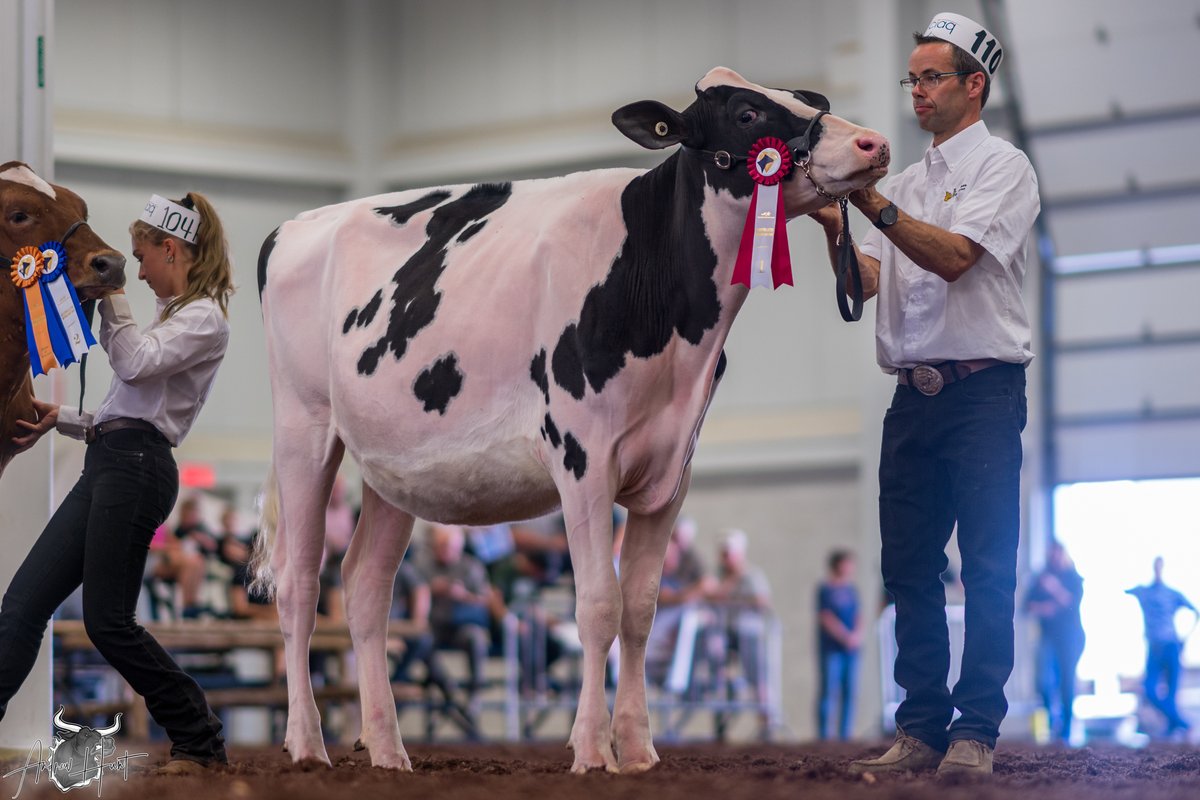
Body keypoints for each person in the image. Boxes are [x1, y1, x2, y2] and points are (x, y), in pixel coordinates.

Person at [809, 12, 1040, 776]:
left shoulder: (1004, 168)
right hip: (914, 396)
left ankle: (977, 730)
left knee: (986, 567)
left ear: (975, 86)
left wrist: (868, 204)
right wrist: (832, 223)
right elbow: (868, 282)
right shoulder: (904, 185)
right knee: (908, 569)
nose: (917, 91)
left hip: (983, 394)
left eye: (931, 77)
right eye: (912, 79)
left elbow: (954, 256)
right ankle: (921, 729)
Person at [0, 191, 233, 773]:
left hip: (136, 469)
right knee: (24, 604)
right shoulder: (174, 317)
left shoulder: (205, 318)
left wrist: (113, 293)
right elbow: (126, 408)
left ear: (170, 250)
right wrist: (64, 418)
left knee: (107, 623)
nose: (139, 270)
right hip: (113, 461)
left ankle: (199, 736)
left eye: (141, 257)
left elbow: (134, 365)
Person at [1126, 557, 1197, 738]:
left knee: (1171, 694)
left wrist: (1184, 639)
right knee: (1149, 690)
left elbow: (1195, 612)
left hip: (1171, 646)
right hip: (1154, 648)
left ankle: (1173, 729)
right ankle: (1182, 723)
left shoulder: (1172, 594)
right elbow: (1120, 588)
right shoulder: (1144, 592)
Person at [1023, 541, 1085, 744]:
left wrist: (1054, 588)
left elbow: (1070, 602)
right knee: (1043, 680)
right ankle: (1052, 720)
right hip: (1047, 637)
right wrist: (1045, 608)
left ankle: (1066, 727)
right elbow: (1026, 606)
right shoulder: (1041, 577)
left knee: (1066, 681)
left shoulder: (1073, 578)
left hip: (1071, 637)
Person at [421, 524, 493, 696]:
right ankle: (446, 686)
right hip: (432, 624)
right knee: (420, 641)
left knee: (476, 638)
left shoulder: (471, 566)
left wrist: (463, 595)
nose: (445, 551)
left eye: (449, 546)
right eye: (440, 546)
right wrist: (430, 590)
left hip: (462, 624)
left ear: (458, 546)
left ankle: (475, 692)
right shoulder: (422, 565)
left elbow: (486, 601)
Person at [817, 550, 863, 741]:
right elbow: (825, 617)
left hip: (851, 650)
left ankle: (845, 735)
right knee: (829, 690)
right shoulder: (826, 590)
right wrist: (845, 636)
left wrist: (857, 636)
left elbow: (858, 615)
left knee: (850, 691)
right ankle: (824, 737)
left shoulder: (852, 590)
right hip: (832, 649)